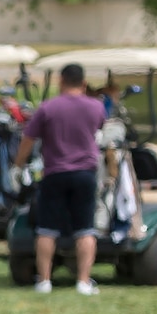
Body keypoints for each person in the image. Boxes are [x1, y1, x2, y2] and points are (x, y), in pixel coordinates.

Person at [14, 61, 108, 296]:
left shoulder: (48, 108)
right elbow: (101, 133)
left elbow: (29, 139)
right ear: (84, 83)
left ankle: (44, 281)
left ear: (61, 81)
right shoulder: (96, 107)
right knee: (85, 229)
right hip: (85, 173)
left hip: (55, 172)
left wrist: (18, 165)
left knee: (47, 229)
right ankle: (83, 281)